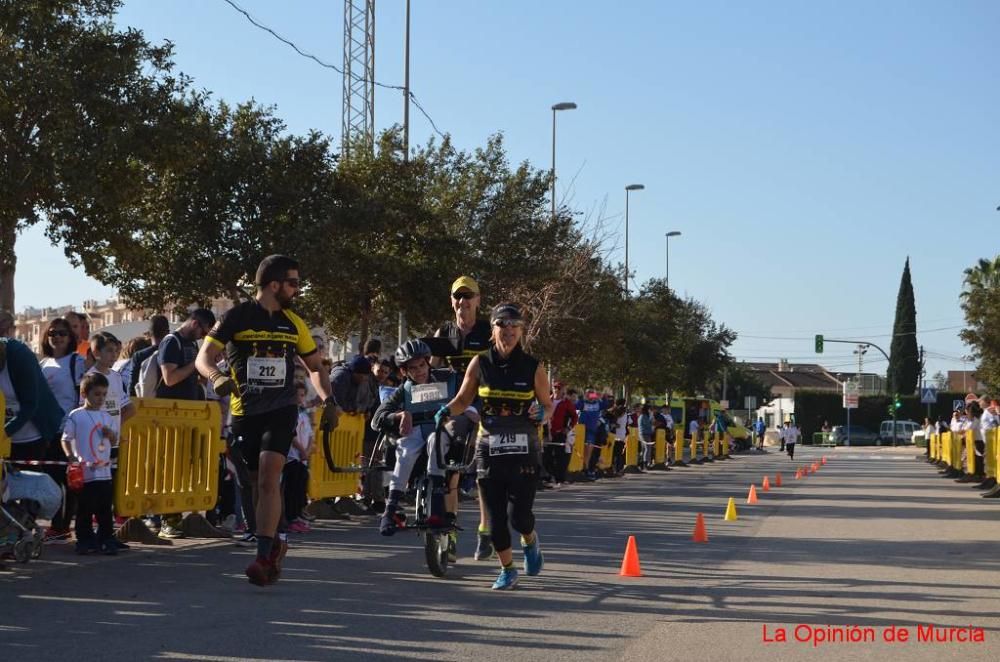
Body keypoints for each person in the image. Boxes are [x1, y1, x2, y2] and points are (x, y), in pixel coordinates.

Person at [196, 254, 338, 587]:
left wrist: (329, 400)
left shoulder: (294, 323)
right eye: (293, 283)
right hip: (245, 412)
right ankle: (273, 542)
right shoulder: (237, 317)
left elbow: (315, 367)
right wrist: (216, 376)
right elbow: (204, 356)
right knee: (256, 481)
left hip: (281, 408)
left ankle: (261, 556)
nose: (297, 290)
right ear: (274, 284)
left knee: (269, 476)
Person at [437, 303, 552, 590]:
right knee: (497, 518)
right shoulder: (480, 363)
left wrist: (542, 413)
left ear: (522, 331)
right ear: (493, 330)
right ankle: (508, 569)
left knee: (519, 517)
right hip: (489, 448)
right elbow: (463, 399)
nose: (509, 331)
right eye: (503, 324)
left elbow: (548, 405)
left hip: (524, 449)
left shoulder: (533, 367)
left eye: (515, 325)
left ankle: (530, 539)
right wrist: (446, 410)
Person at [372, 339, 478, 564]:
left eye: (422, 366)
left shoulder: (449, 379)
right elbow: (377, 419)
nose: (419, 372)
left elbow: (471, 398)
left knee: (435, 440)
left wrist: (468, 411)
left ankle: (437, 504)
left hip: (444, 434)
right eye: (412, 368)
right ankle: (390, 510)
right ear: (404, 371)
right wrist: (399, 415)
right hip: (415, 435)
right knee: (405, 448)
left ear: (428, 363)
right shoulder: (403, 391)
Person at [433, 276, 495, 561]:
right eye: (458, 297)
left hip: (486, 407)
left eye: (468, 296)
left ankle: (486, 532)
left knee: (486, 472)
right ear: (452, 301)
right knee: (450, 467)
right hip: (456, 408)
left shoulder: (489, 332)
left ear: (478, 301)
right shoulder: (443, 334)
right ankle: (449, 534)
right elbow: (429, 374)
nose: (463, 302)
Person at [155, 309, 216, 540]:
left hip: (190, 415)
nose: (201, 336)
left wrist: (205, 365)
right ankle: (167, 520)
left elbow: (194, 377)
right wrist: (196, 363)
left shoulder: (191, 346)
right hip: (171, 416)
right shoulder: (172, 342)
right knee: (170, 469)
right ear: (194, 322)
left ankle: (180, 517)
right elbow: (170, 378)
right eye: (202, 330)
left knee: (184, 470)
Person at [37, 317, 85, 540]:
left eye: (62, 333)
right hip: (44, 429)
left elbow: (82, 395)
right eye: (53, 333)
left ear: (70, 338)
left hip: (67, 429)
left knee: (66, 480)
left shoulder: (76, 362)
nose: (57, 337)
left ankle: (62, 525)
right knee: (49, 477)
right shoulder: (43, 364)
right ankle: (53, 523)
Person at [61, 372, 117, 555]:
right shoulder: (76, 415)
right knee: (85, 509)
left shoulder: (107, 417)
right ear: (85, 394)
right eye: (96, 394)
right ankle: (84, 540)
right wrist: (71, 456)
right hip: (86, 474)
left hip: (105, 472)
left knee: (105, 509)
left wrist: (111, 435)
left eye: (103, 394)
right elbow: (66, 438)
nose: (101, 398)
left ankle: (106, 538)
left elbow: (114, 440)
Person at [284, 383, 313, 533]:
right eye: (298, 394)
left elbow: (310, 435)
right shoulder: (290, 412)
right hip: (292, 456)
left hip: (303, 457)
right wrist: (301, 450)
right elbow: (291, 435)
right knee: (291, 489)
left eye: (302, 395)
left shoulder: (304, 413)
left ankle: (298, 515)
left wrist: (307, 451)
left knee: (301, 487)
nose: (300, 398)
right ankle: (290, 518)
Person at [545, 381, 577, 487]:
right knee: (547, 455)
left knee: (560, 456)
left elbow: (574, 417)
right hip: (548, 432)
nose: (557, 390)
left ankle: (560, 479)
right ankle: (550, 477)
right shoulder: (547, 400)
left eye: (559, 388)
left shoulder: (566, 403)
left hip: (560, 433)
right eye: (555, 387)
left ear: (563, 390)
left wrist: (568, 428)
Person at [128, 315, 170, 396]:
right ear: (167, 333)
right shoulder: (175, 353)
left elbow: (132, 387)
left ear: (150, 333)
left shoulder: (139, 356)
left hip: (145, 404)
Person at [637, 404, 654, 470]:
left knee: (644, 449)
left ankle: (642, 464)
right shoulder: (644, 416)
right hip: (645, 434)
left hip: (643, 434)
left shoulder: (642, 416)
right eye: (649, 409)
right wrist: (651, 420)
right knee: (648, 448)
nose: (650, 411)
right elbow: (649, 425)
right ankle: (645, 463)